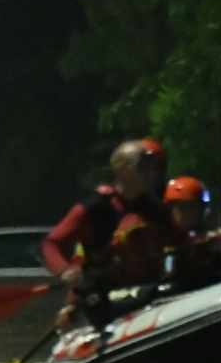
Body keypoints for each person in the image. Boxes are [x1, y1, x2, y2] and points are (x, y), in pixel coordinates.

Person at [41, 138, 170, 326]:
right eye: (143, 166)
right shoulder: (94, 207)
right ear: (121, 169)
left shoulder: (156, 210)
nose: (151, 172)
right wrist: (64, 271)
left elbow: (180, 241)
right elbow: (51, 243)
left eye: (153, 166)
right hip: (103, 297)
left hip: (147, 292)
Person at [161, 174, 221, 289]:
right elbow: (167, 276)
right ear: (170, 209)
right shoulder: (163, 237)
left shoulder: (210, 238)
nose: (188, 214)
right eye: (182, 208)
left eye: (193, 208)